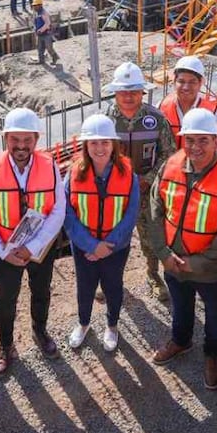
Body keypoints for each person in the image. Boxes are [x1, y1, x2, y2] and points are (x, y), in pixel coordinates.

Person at [150, 109, 217, 391]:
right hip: (173, 262)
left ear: (216, 141)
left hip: (209, 270)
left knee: (215, 313)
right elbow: (155, 211)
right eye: (190, 140)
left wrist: (198, 263)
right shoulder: (170, 166)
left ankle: (213, 354)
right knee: (180, 306)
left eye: (203, 140)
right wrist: (164, 253)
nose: (195, 147)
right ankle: (181, 340)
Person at [0, 108, 66, 376]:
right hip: (6, 249)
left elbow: (58, 210)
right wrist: (4, 251)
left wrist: (32, 247)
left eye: (27, 140)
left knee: (41, 291)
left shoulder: (49, 166)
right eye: (15, 139)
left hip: (41, 246)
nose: (21, 146)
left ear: (36, 139)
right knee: (6, 299)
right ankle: (6, 346)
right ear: (6, 139)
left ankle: (40, 331)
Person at [65, 114, 140, 353]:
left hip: (115, 248)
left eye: (105, 142)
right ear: (86, 145)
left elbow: (131, 214)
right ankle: (83, 323)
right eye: (94, 143)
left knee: (113, 286)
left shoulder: (129, 176)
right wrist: (91, 245)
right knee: (85, 287)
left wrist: (108, 245)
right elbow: (67, 214)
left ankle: (112, 325)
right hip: (84, 248)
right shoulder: (73, 173)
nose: (100, 148)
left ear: (113, 144)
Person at [104, 62, 176, 301]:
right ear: (115, 93)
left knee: (151, 236)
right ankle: (110, 279)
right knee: (112, 237)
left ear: (142, 92)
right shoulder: (104, 121)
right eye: (123, 92)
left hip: (146, 191)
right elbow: (94, 155)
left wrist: (148, 179)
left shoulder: (156, 119)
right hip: (114, 192)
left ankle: (153, 276)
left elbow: (169, 154)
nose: (128, 97)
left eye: (134, 91)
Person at [158, 55, 217, 159]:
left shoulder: (212, 113)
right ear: (174, 82)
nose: (186, 87)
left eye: (192, 82)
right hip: (170, 167)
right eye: (181, 81)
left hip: (200, 167)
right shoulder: (162, 107)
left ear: (200, 83)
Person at [31, 0, 60, 66]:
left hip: (46, 33)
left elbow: (47, 23)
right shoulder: (36, 13)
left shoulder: (44, 13)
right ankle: (41, 60)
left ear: (40, 5)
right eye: (34, 6)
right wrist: (35, 28)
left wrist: (41, 30)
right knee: (40, 48)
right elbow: (35, 22)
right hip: (40, 34)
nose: (34, 7)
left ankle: (55, 57)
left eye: (35, 5)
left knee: (49, 47)